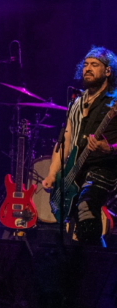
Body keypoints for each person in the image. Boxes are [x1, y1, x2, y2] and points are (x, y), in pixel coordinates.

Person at [42, 47, 117, 245]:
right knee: (77, 222)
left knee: (86, 208)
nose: (88, 69)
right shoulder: (76, 103)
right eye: (85, 65)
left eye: (94, 65)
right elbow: (65, 141)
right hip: (76, 170)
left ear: (107, 71)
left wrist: (110, 148)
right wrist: (52, 173)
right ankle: (90, 257)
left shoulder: (114, 101)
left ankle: (95, 258)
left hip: (104, 168)